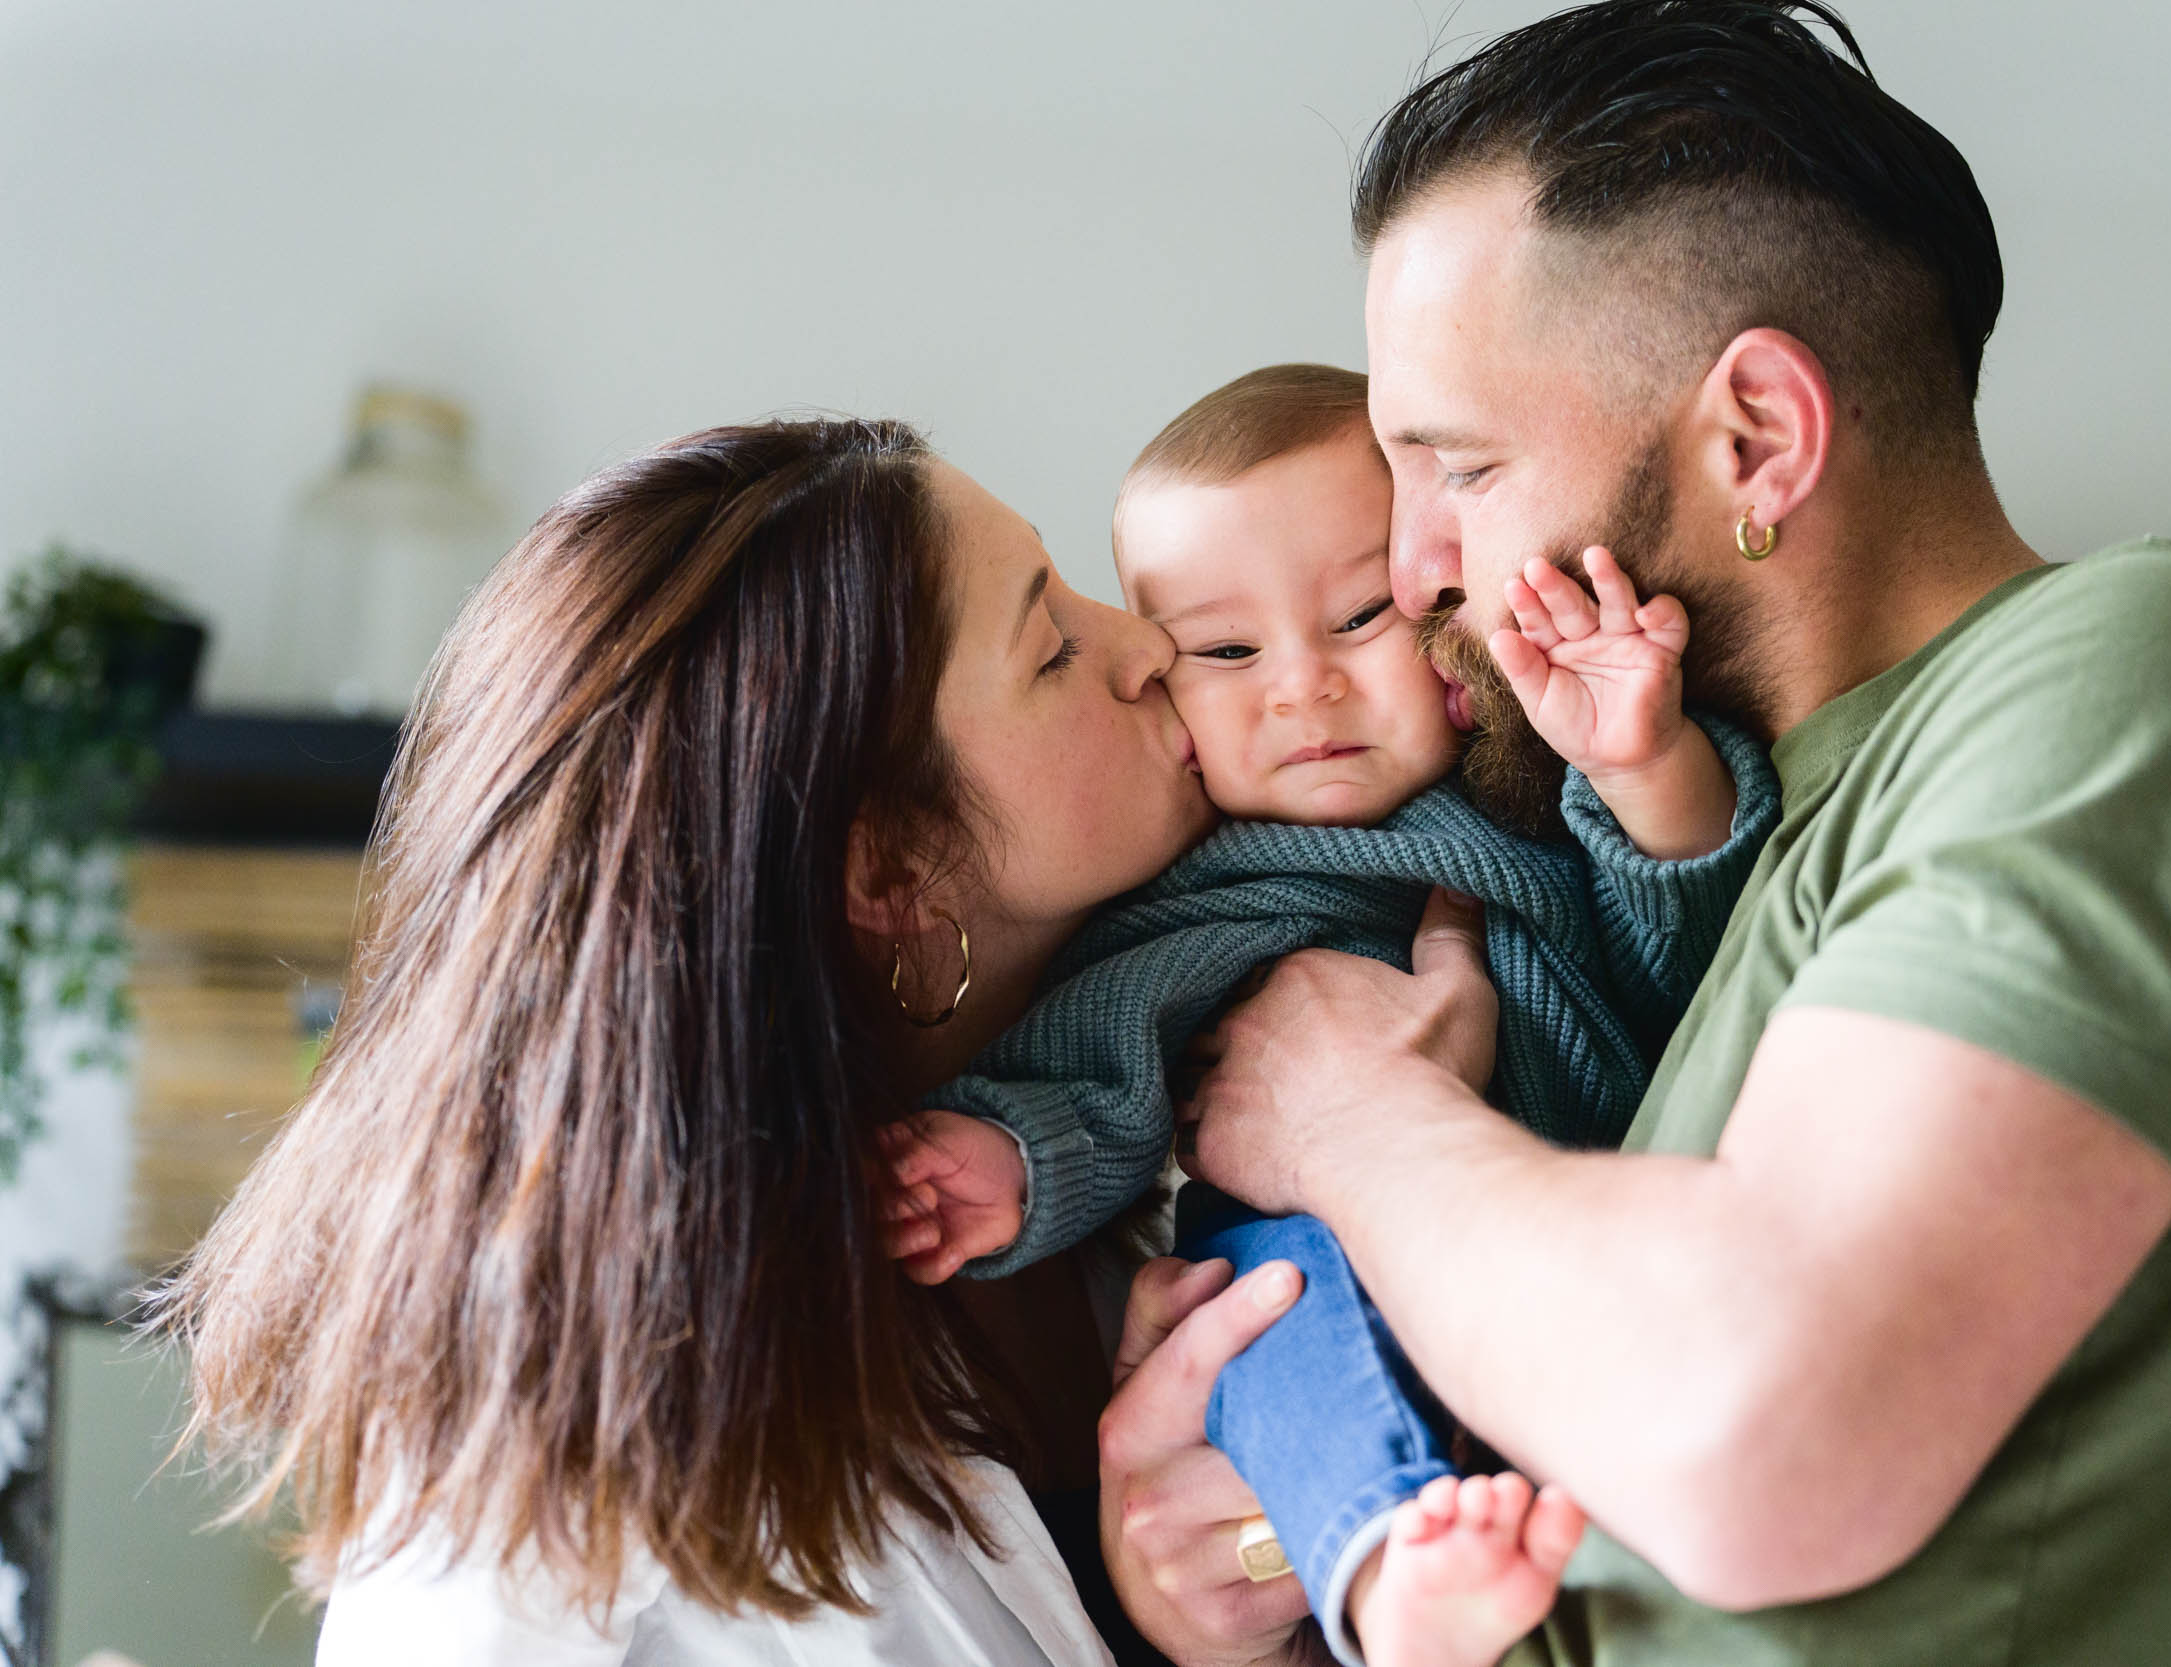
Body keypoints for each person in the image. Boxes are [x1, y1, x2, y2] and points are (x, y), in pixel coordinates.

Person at [1108, 5, 2171, 1666]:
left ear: (1758, 437)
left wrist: (1343, 1123)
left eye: (1457, 464)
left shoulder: (2142, 664)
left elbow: (1770, 1442)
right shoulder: (1709, 844)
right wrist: (1280, 1558)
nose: (1411, 571)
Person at [155, 417, 1307, 1666]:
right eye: (1051, 647)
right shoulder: (554, 1560)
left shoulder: (1117, 1158)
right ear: (888, 864)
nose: (1148, 645)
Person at [878, 363, 1777, 1667]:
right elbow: (1104, 1061)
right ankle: (1380, 1558)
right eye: (1227, 651)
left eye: (1361, 616)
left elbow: (1690, 946)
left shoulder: (1532, 798)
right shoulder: (1212, 879)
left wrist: (1645, 766)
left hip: (1595, 1228)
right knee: (1268, 1304)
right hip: (1326, 1256)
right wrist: (1007, 1157)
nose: (1301, 689)